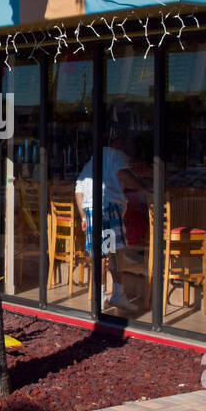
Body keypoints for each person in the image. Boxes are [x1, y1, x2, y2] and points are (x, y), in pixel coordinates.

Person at [75, 131, 148, 313]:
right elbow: (122, 173)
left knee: (107, 253)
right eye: (129, 144)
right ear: (119, 142)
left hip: (93, 210)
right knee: (111, 253)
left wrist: (83, 215)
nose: (131, 149)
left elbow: (78, 188)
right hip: (108, 208)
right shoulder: (116, 155)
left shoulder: (93, 160)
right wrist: (144, 187)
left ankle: (112, 295)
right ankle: (108, 295)